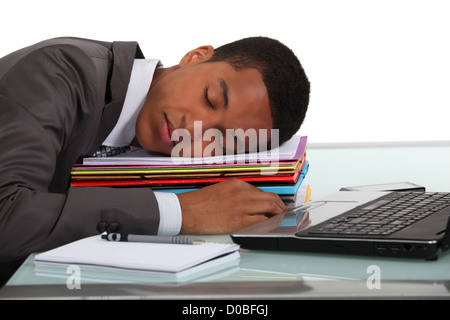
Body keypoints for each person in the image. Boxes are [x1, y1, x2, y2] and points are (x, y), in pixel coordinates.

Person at [0, 36, 310, 284]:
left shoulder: (159, 157)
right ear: (196, 56)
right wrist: (179, 212)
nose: (194, 128)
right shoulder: (58, 72)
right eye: (209, 98)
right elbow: (6, 214)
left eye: (221, 140)